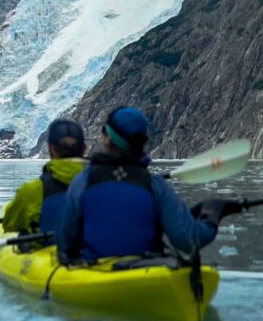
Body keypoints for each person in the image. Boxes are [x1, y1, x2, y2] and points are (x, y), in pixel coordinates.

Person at [55, 107, 233, 263]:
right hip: (146, 271)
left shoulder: (83, 181)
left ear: (108, 139)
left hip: (94, 275)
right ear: (143, 142)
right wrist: (211, 216)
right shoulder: (155, 185)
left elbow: (64, 241)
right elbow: (188, 240)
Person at [2, 119, 88, 236]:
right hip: (93, 250)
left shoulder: (30, 192)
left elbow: (8, 225)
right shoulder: (103, 184)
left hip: (44, 249)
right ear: (84, 148)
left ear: (50, 148)